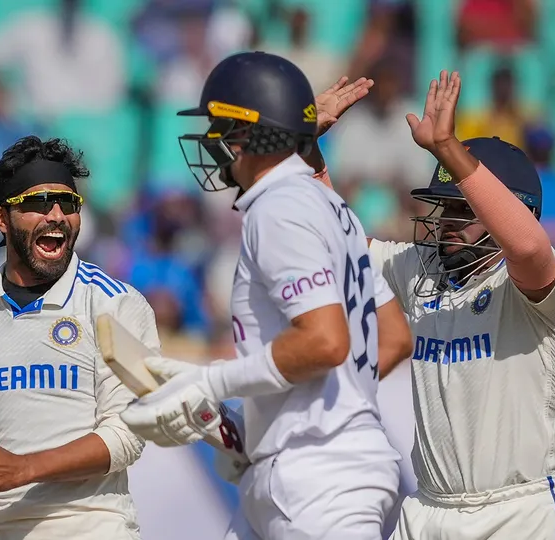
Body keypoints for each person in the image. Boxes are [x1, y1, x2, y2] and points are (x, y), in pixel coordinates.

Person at [119, 51, 405, 540]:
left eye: (219, 128)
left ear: (247, 134)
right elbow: (394, 337)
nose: (212, 142)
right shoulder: (329, 205)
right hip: (309, 468)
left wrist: (212, 383)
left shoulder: (280, 207)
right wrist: (271, 420)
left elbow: (325, 343)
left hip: (317, 480)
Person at [326, 70, 555, 539]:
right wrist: (305, 151)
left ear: (512, 210)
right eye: (444, 208)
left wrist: (448, 148)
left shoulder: (538, 283)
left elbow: (529, 250)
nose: (446, 222)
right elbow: (331, 240)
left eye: (463, 210)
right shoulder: (420, 273)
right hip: (430, 511)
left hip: (523, 512)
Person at [0, 136, 159, 540]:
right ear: (1, 218)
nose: (57, 216)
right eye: (38, 203)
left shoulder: (116, 303)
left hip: (86, 526)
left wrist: (24, 467)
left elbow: (128, 434)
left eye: (68, 203)